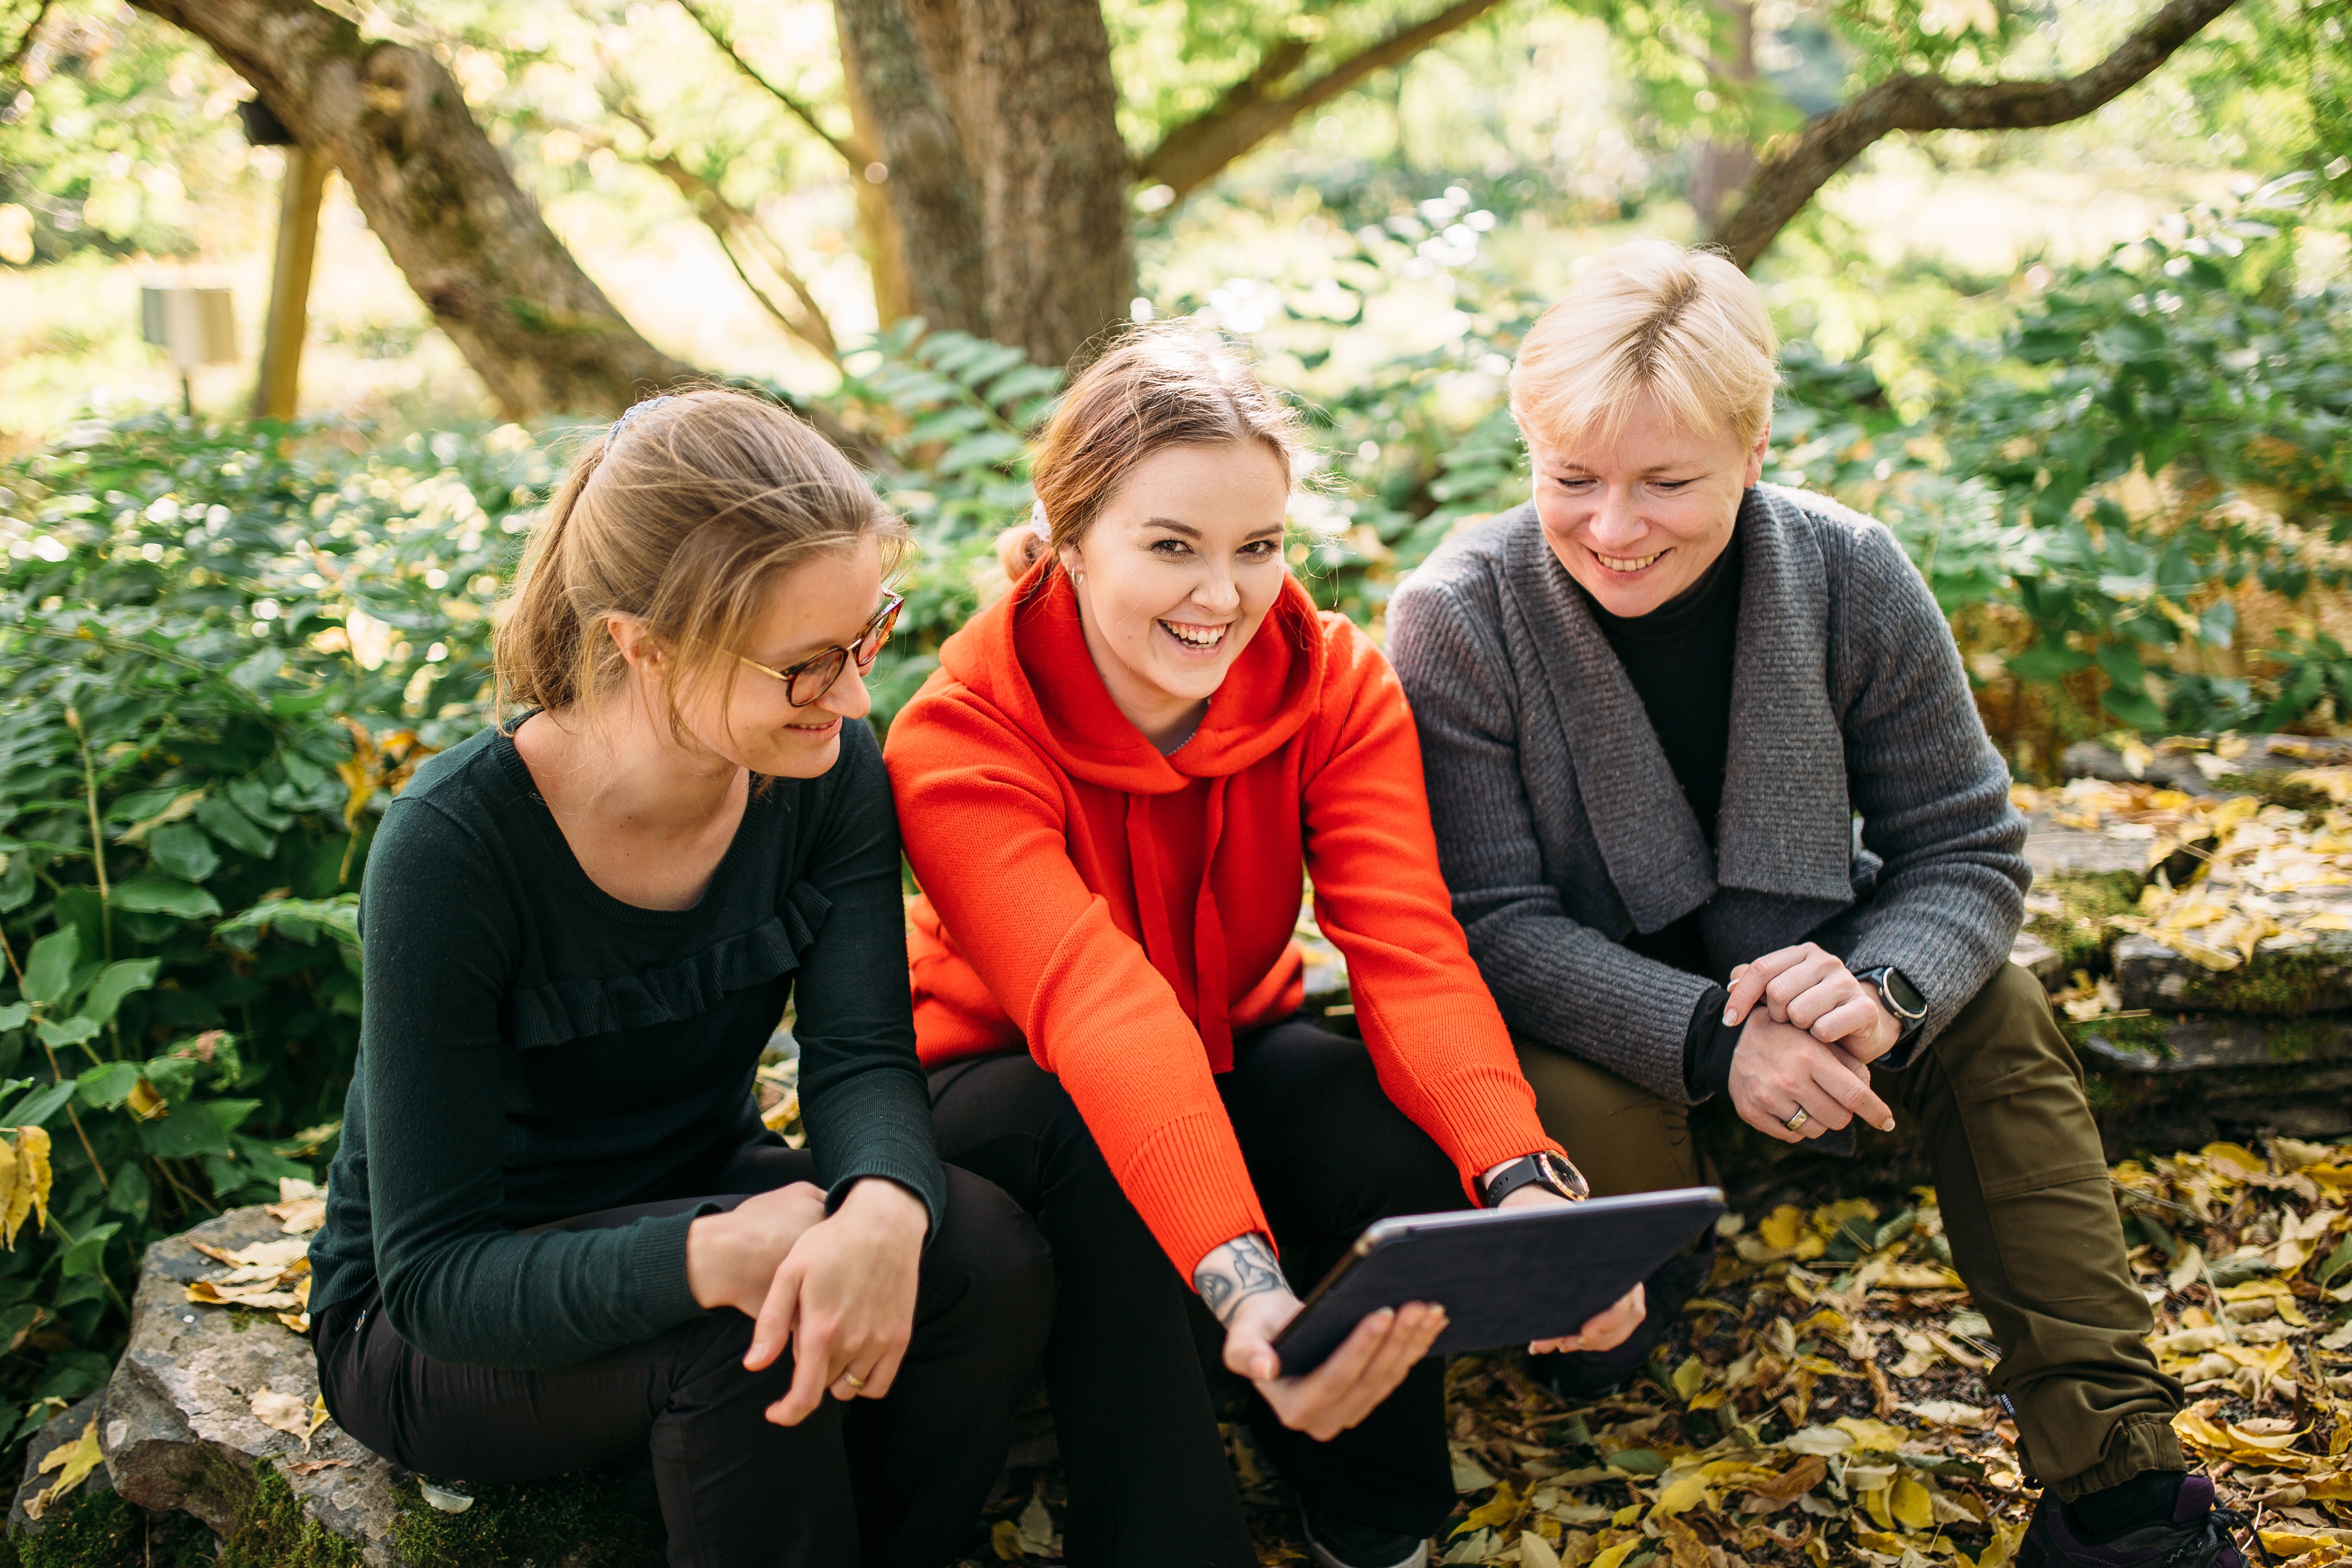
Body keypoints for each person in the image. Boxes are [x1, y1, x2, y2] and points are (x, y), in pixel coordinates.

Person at [1387, 240, 2249, 1568]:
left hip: (1818, 977)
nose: (1614, 529)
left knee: (2004, 1009)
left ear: (1754, 445)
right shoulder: (1459, 613)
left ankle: (2116, 1480)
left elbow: (1964, 847)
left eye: (1668, 482)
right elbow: (1490, 923)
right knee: (1601, 1192)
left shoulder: (1852, 573)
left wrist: (1885, 988)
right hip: (1590, 1019)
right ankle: (1626, 1314)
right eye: (1573, 481)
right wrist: (1717, 1043)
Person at [883, 325, 1645, 1568]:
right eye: (1170, 546)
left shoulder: (1335, 683)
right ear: (1069, 536)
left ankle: (1375, 1517)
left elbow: (1407, 946)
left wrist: (1526, 1186)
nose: (1222, 596)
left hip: (1230, 1035)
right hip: (998, 1078)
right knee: (1103, 1165)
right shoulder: (960, 735)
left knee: (1376, 1136)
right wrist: (1243, 1285)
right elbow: (1092, 1006)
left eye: (1259, 547)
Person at [306, 389, 1054, 1568]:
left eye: (868, 639)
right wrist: (712, 1254)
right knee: (739, 1332)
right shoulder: (455, 848)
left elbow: (860, 1055)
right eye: (807, 666)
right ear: (639, 642)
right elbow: (436, 1278)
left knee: (987, 1254)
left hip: (695, 1184)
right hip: (441, 1321)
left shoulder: (826, 770)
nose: (856, 697)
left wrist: (881, 1208)